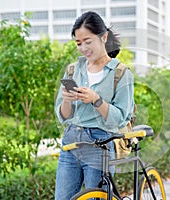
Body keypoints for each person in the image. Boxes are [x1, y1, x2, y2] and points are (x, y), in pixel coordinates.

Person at [54, 11, 134, 199]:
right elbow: (63, 115)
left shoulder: (120, 73)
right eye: (78, 43)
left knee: (96, 197)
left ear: (103, 37)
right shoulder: (73, 70)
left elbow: (121, 118)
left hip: (101, 143)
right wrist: (67, 99)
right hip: (71, 141)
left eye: (88, 41)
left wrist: (96, 100)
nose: (83, 48)